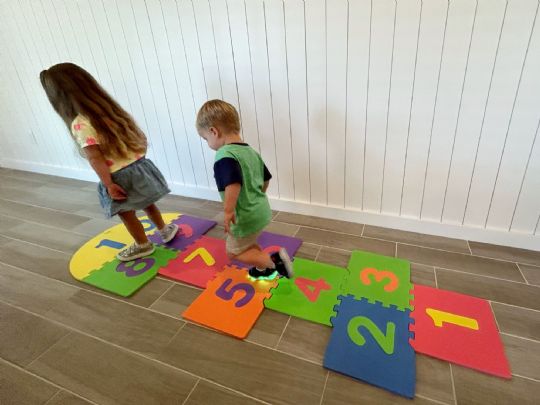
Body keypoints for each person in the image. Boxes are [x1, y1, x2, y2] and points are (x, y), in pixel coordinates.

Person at [39, 63, 178, 261]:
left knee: (126, 213)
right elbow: (138, 135)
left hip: (119, 176)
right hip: (140, 166)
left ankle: (143, 245)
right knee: (148, 203)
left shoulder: (81, 124)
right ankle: (164, 230)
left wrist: (109, 185)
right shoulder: (109, 109)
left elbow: (95, 158)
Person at [196, 99, 293, 280]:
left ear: (213, 131)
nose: (208, 143)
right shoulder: (250, 152)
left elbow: (233, 184)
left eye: (205, 138)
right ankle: (262, 268)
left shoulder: (224, 154)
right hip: (261, 210)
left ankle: (274, 262)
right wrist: (257, 196)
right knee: (248, 244)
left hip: (244, 216)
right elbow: (265, 179)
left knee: (234, 252)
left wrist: (228, 210)